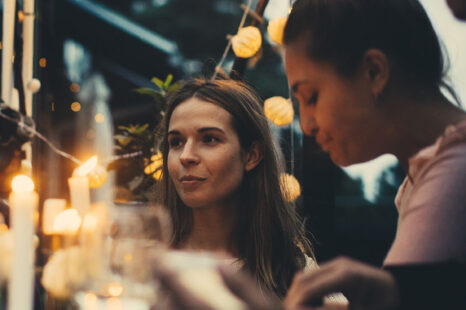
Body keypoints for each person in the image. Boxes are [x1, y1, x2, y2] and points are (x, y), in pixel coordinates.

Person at [153, 0, 466, 309]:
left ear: (374, 71)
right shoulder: (424, 178)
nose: (307, 125)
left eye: (311, 96)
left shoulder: (453, 175)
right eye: (175, 142)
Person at [157, 77, 321, 299]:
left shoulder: (294, 272)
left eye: (209, 139)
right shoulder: (145, 261)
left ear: (252, 155)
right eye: (176, 142)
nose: (186, 156)